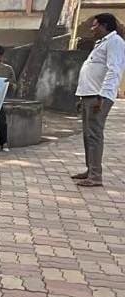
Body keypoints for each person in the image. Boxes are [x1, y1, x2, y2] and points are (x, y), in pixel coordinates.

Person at [72, 13, 125, 187]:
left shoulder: (115, 42)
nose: (92, 29)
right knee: (88, 135)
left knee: (94, 135)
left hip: (98, 96)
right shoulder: (101, 43)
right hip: (89, 94)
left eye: (95, 26)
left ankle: (95, 176)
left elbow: (114, 70)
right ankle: (91, 169)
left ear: (104, 26)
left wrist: (103, 96)